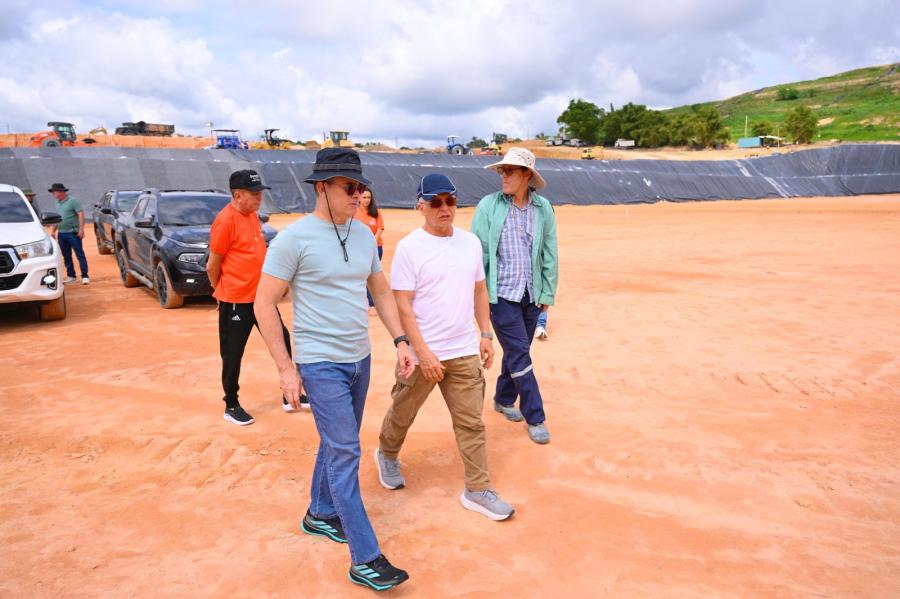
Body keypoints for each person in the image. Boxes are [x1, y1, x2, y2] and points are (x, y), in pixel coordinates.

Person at [254, 148, 413, 591]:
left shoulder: (363, 235)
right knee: (346, 452)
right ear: (322, 187)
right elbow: (262, 303)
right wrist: (286, 369)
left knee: (335, 441)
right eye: (350, 187)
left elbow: (380, 291)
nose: (359, 195)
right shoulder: (293, 239)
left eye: (361, 187)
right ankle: (366, 557)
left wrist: (400, 340)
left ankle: (319, 513)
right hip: (319, 362)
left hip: (359, 359)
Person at [375, 173, 515, 521]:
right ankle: (387, 453)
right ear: (420, 206)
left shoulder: (470, 243)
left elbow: (479, 290)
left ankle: (477, 489)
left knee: (472, 424)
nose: (444, 208)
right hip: (425, 354)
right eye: (435, 202)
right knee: (403, 412)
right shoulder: (410, 247)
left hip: (464, 349)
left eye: (450, 201)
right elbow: (402, 304)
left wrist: (485, 333)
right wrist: (422, 353)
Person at [471, 147, 558, 444]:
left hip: (530, 295)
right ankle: (536, 415)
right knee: (520, 351)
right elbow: (478, 252)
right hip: (500, 295)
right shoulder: (488, 206)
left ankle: (504, 398)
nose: (503, 176)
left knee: (517, 351)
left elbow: (549, 252)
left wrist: (547, 290)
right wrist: (476, 294)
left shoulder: (543, 208)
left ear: (526, 176)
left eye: (509, 171)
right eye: (501, 171)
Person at [207, 169, 307, 426]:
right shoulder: (225, 221)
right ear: (237, 195)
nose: (259, 197)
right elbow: (212, 265)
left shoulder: (252, 217)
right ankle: (231, 404)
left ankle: (290, 393)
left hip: (262, 299)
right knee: (232, 354)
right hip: (235, 301)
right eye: (254, 193)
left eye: (260, 192)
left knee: (282, 341)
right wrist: (220, 292)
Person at [48, 183, 89, 285]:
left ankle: (85, 276)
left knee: (79, 254)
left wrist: (81, 229)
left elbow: (81, 214)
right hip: (61, 234)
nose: (53, 194)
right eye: (53, 192)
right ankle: (71, 276)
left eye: (55, 191)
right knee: (66, 255)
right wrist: (53, 231)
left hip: (73, 233)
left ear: (62, 192)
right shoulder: (57, 202)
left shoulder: (73, 201)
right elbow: (58, 218)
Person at [356, 188, 384, 308]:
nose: (366, 200)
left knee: (372, 276)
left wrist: (371, 244)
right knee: (361, 275)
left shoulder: (375, 212)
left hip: (375, 248)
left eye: (368, 198)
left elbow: (379, 229)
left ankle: (372, 303)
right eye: (364, 197)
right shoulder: (354, 212)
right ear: (359, 198)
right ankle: (360, 301)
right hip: (358, 249)